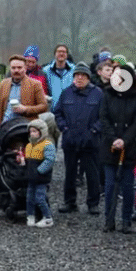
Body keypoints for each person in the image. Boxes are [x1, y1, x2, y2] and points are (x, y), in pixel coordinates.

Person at [54, 62, 102, 216]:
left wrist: (94, 130)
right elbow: (58, 113)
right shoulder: (66, 93)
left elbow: (104, 116)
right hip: (70, 141)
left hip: (90, 142)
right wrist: (64, 128)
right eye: (77, 75)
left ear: (88, 78)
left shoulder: (98, 94)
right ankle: (70, 202)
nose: (79, 78)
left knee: (92, 175)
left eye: (83, 75)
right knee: (70, 174)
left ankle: (93, 203)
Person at [99, 64, 136, 233]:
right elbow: (103, 118)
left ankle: (126, 220)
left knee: (127, 186)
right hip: (110, 146)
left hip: (130, 146)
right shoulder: (107, 94)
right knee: (110, 185)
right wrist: (113, 139)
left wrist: (125, 140)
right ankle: (109, 219)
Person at [17, 118, 56, 228]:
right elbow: (28, 160)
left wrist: (39, 171)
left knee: (40, 198)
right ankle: (30, 215)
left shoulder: (47, 145)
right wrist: (22, 161)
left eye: (35, 131)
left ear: (41, 132)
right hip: (31, 177)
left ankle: (48, 218)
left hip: (41, 178)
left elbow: (50, 160)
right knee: (29, 197)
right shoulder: (29, 146)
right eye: (31, 131)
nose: (32, 134)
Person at [0, 55, 49, 127]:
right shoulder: (4, 84)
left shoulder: (35, 84)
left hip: (25, 126)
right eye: (13, 68)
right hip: (6, 126)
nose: (16, 70)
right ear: (10, 69)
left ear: (25, 68)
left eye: (19, 68)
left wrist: (26, 109)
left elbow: (44, 107)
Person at [44, 45, 75, 111]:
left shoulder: (74, 70)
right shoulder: (46, 70)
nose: (61, 54)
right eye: (59, 52)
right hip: (52, 109)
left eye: (64, 52)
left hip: (70, 108)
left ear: (67, 55)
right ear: (55, 54)